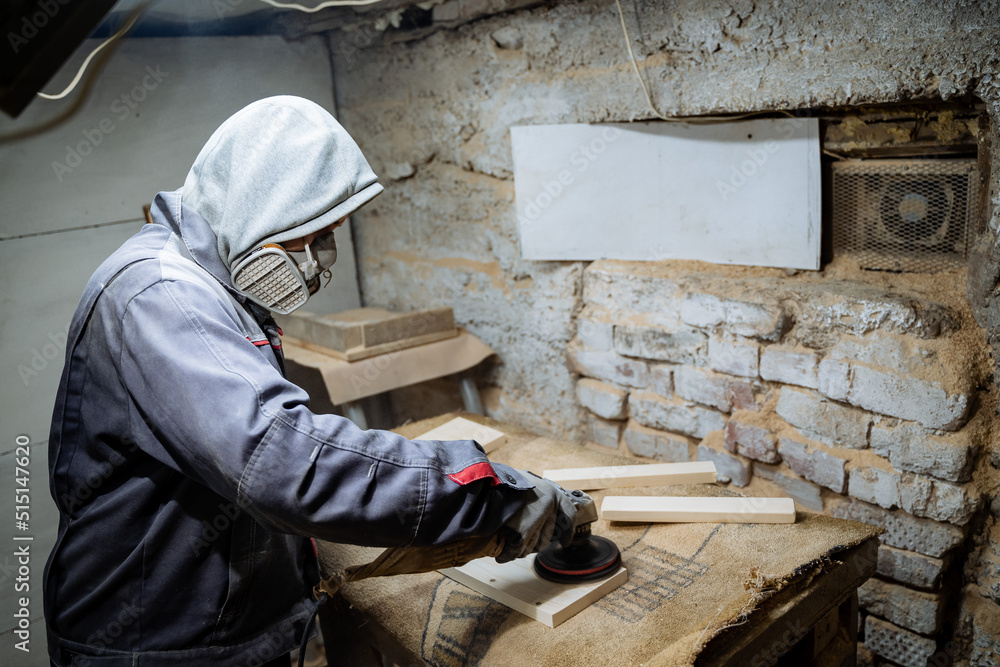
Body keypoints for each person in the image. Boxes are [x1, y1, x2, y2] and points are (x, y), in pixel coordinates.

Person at [44, 96, 584, 667]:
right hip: (155, 649)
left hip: (233, 630)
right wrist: (489, 493)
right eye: (314, 234)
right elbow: (288, 465)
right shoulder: (158, 296)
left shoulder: (215, 283)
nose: (322, 261)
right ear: (263, 207)